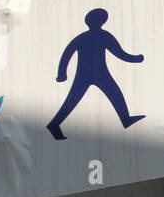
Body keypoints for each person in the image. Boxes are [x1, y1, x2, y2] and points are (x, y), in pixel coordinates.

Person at [47, 8, 145, 140]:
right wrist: (61, 74)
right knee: (72, 101)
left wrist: (62, 73)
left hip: (98, 73)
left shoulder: (93, 36)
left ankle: (126, 119)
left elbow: (118, 52)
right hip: (88, 73)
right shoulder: (99, 36)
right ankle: (54, 124)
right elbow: (67, 54)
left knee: (116, 94)